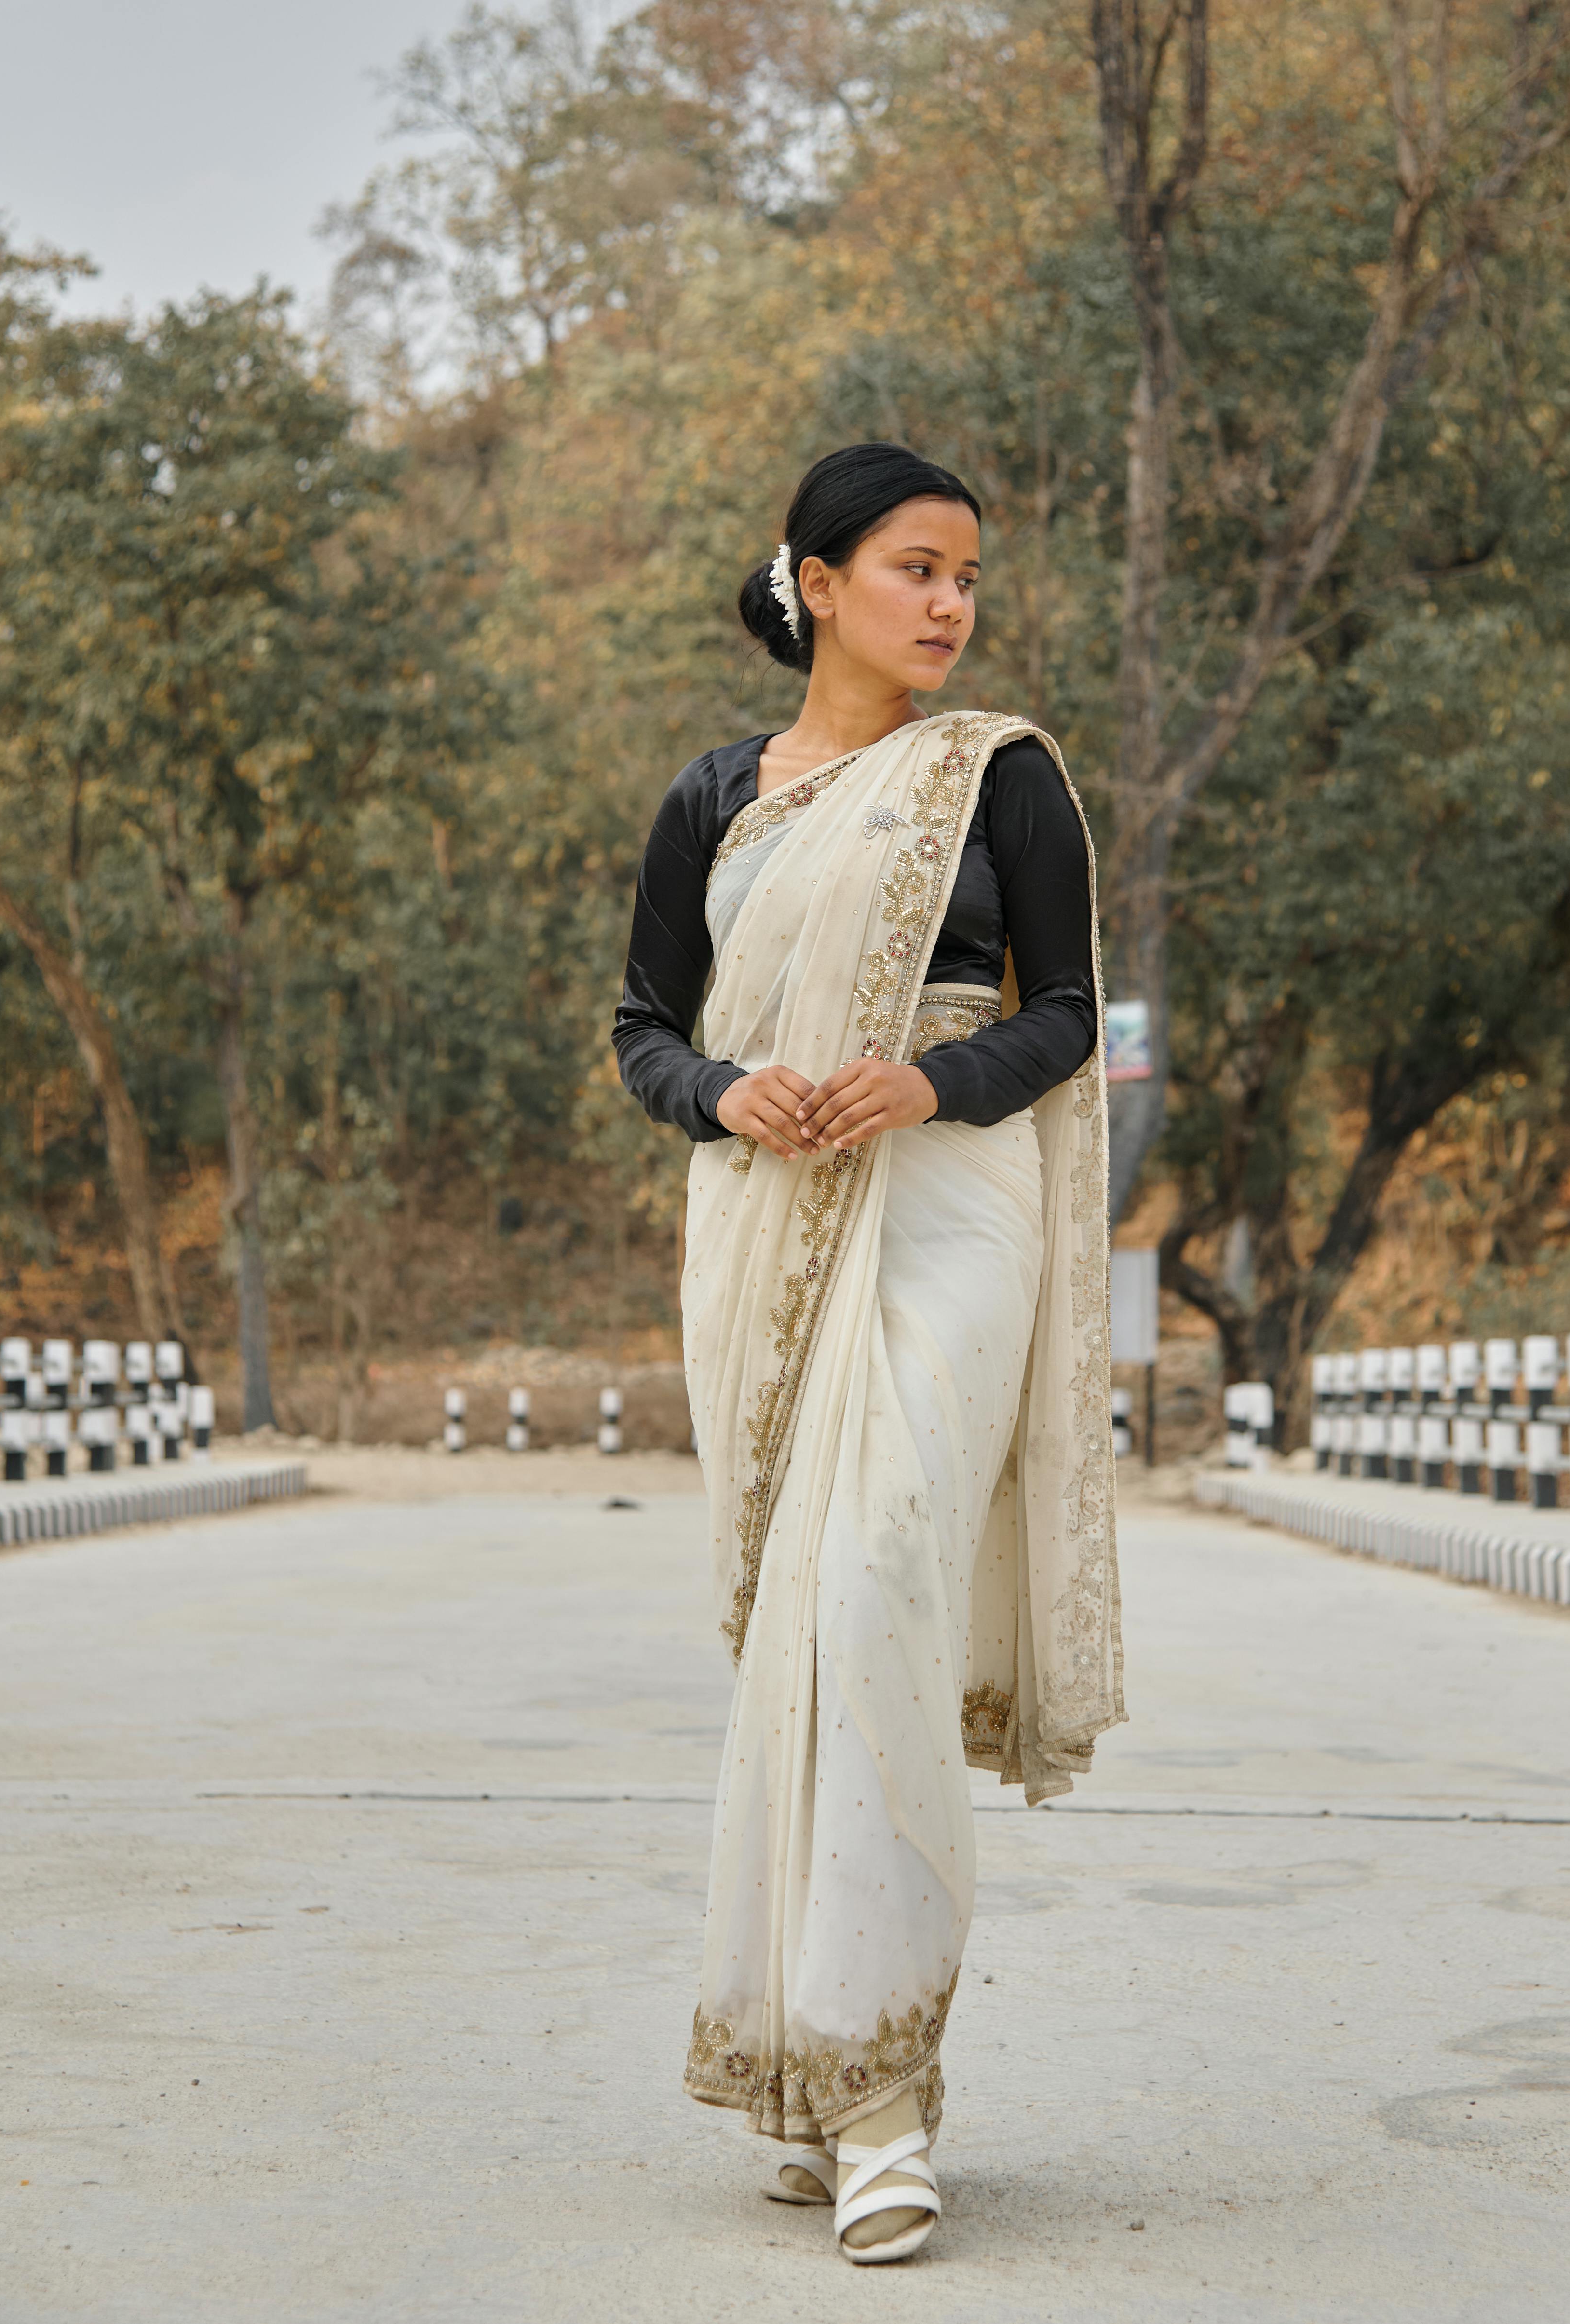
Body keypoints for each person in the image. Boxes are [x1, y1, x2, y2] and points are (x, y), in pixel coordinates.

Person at [613, 441, 1123, 2265]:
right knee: (805, 1625)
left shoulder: (1004, 777)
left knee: (883, 1571)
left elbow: (1069, 1013)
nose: (951, 603)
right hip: (766, 1222)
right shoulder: (714, 798)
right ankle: (817, 2072)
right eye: (918, 568)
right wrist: (723, 1090)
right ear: (816, 582)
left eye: (968, 575)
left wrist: (931, 1077)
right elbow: (644, 1027)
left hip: (954, 1206)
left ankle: (882, 2091)